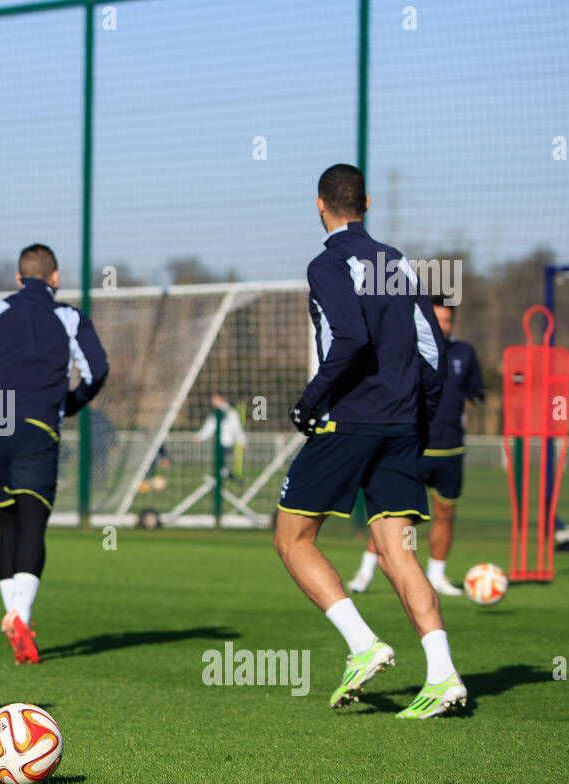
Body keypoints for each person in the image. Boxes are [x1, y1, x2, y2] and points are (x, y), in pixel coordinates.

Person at [274, 163, 467, 719]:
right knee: (396, 548)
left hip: (349, 421)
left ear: (320, 204)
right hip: (402, 425)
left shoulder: (328, 262)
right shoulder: (398, 262)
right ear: (367, 202)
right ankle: (442, 674)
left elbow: (351, 337)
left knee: (292, 538)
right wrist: (419, 418)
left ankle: (363, 644)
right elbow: (431, 350)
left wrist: (309, 401)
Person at [0, 244, 109, 663]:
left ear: (19, 278)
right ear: (54, 277)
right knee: (33, 523)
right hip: (36, 424)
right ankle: (20, 614)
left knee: (8, 525)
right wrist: (72, 402)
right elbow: (98, 369)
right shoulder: (69, 316)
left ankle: (12, 615)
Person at [348, 296, 484, 595]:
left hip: (450, 450)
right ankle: (365, 572)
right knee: (396, 515)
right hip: (412, 446)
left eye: (447, 320)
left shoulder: (464, 353)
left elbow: (476, 392)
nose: (442, 326)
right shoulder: (407, 351)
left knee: (445, 512)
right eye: (437, 320)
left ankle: (437, 576)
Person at [194, 393, 246, 480]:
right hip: (219, 443)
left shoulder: (230, 413)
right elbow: (209, 428)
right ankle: (231, 478)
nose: (213, 402)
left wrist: (242, 441)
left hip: (227, 443)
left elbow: (236, 429)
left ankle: (224, 478)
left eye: (215, 400)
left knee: (219, 464)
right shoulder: (214, 413)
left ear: (221, 399)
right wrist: (200, 436)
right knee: (220, 465)